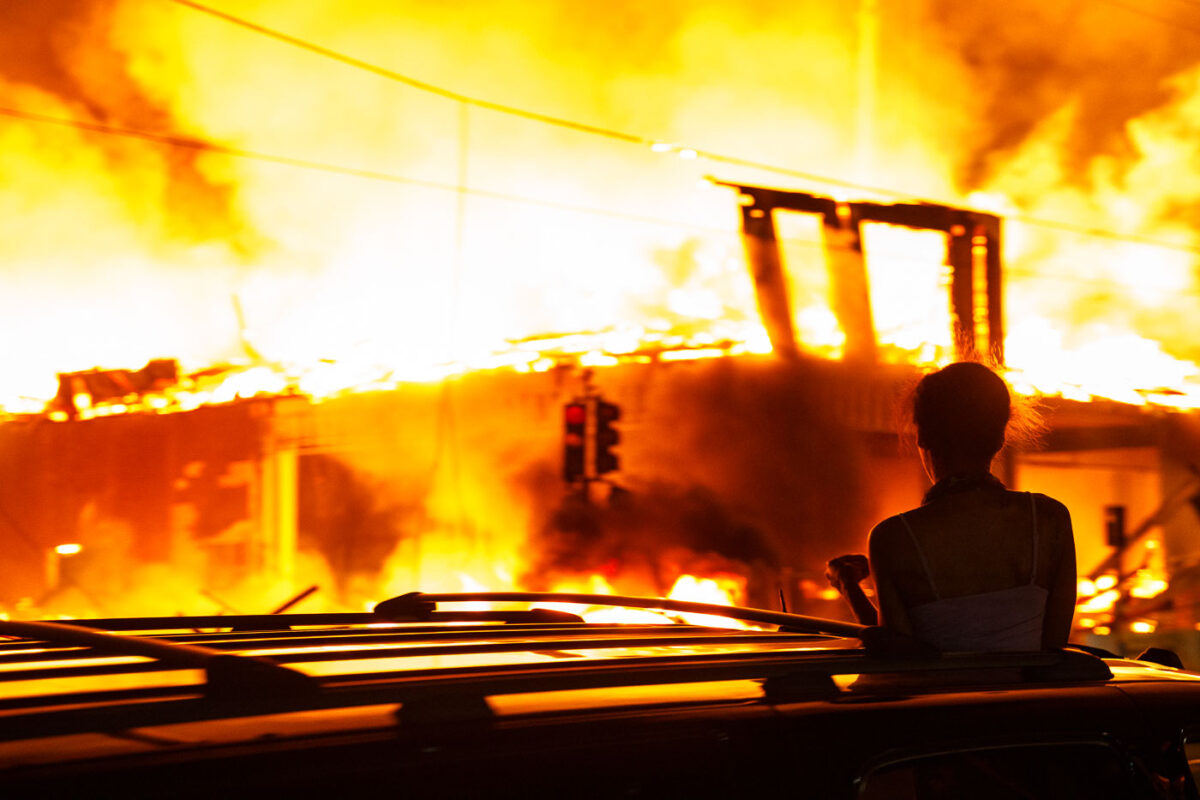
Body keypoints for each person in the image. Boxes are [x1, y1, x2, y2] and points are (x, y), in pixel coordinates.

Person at [826, 362, 1076, 651]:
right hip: (1034, 697)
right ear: (1000, 438)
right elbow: (1053, 651)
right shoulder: (1049, 518)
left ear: (922, 436)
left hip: (942, 695)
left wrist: (849, 586)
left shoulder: (893, 538)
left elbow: (899, 654)